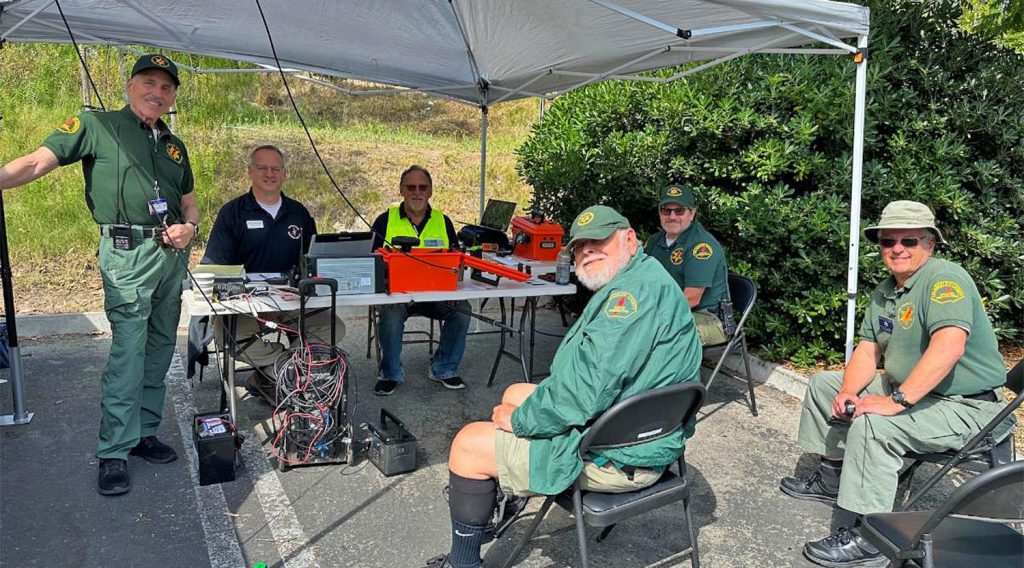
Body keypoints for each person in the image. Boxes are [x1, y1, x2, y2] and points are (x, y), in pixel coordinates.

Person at [423, 205, 704, 568]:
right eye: (580, 246)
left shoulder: (628, 300)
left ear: (630, 239)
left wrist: (522, 422)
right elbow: (595, 381)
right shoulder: (646, 275)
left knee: (467, 445)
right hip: (644, 433)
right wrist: (524, 409)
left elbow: (584, 393)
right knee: (514, 393)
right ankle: (504, 492)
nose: (587, 251)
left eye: (599, 240)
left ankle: (462, 562)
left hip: (621, 455)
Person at [0, 54, 199, 496]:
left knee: (161, 346)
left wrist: (191, 228)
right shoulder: (97, 126)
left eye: (167, 87)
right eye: (149, 82)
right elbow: (36, 163)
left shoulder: (174, 145)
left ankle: (145, 432)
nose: (157, 93)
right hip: (127, 253)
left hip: (170, 258)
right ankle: (114, 450)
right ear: (130, 86)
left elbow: (188, 201)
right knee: (129, 350)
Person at [779, 200, 1012, 567]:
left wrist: (896, 401)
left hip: (967, 406)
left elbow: (949, 346)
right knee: (825, 385)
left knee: (875, 424)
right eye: (889, 242)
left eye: (909, 240)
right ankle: (831, 477)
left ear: (930, 244)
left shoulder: (944, 280)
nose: (897, 249)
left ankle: (870, 535)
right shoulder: (886, 290)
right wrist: (848, 392)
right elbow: (868, 350)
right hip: (921, 394)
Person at [201, 145, 345, 402]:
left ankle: (271, 375)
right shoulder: (232, 213)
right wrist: (250, 301)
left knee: (333, 328)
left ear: (285, 174)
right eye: (262, 168)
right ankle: (282, 369)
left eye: (275, 168)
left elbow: (314, 260)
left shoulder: (298, 213)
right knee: (229, 337)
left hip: (290, 301)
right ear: (250, 172)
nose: (269, 173)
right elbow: (216, 266)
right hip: (247, 304)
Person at [369, 165, 470, 396]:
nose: (417, 192)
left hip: (437, 296)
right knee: (391, 314)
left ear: (431, 191)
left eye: (422, 187)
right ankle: (390, 373)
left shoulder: (443, 221)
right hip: (398, 296)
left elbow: (457, 261)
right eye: (411, 187)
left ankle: (444, 369)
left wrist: (454, 291)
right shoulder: (385, 220)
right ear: (401, 190)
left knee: (463, 310)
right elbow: (369, 260)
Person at [644, 184, 729, 345]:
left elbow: (691, 299)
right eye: (666, 210)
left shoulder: (702, 246)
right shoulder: (655, 241)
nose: (672, 216)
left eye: (679, 210)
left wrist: (649, 316)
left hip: (705, 318)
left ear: (692, 213)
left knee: (655, 334)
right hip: (667, 312)